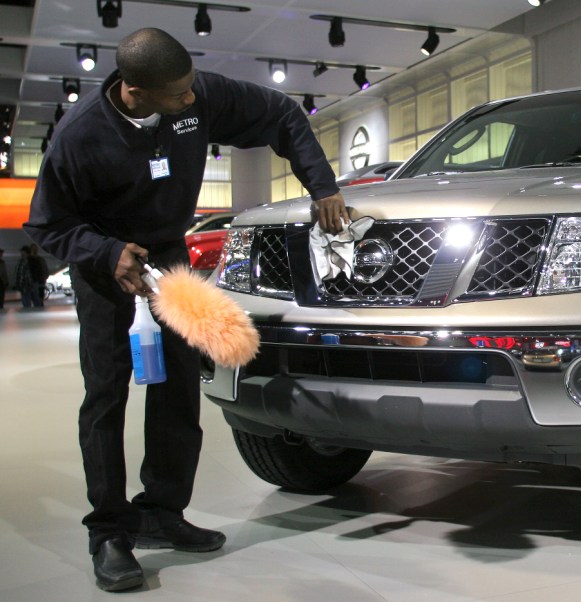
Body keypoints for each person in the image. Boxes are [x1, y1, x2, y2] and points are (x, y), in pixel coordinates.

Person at [23, 27, 347, 592]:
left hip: (168, 260)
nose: (190, 100)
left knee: (177, 387)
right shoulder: (79, 136)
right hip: (107, 267)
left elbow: (281, 115)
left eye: (190, 88)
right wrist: (105, 254)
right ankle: (109, 532)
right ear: (134, 90)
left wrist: (322, 187)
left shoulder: (196, 97)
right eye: (176, 94)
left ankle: (162, 512)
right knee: (106, 393)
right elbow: (48, 224)